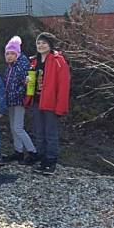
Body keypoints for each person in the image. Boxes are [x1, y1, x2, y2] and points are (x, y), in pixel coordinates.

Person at [26, 32, 71, 175]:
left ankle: (51, 161)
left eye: (44, 43)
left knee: (50, 134)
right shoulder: (33, 61)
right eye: (38, 43)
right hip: (36, 102)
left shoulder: (59, 61)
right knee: (39, 133)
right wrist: (26, 82)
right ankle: (42, 158)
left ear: (50, 44)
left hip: (51, 103)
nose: (41, 45)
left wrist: (60, 107)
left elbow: (64, 85)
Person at [2, 36, 38, 165]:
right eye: (7, 54)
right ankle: (18, 151)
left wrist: (18, 94)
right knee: (13, 127)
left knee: (18, 128)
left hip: (19, 101)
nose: (10, 56)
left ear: (18, 53)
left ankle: (33, 152)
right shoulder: (10, 66)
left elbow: (26, 83)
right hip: (10, 100)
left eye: (12, 53)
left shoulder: (22, 65)